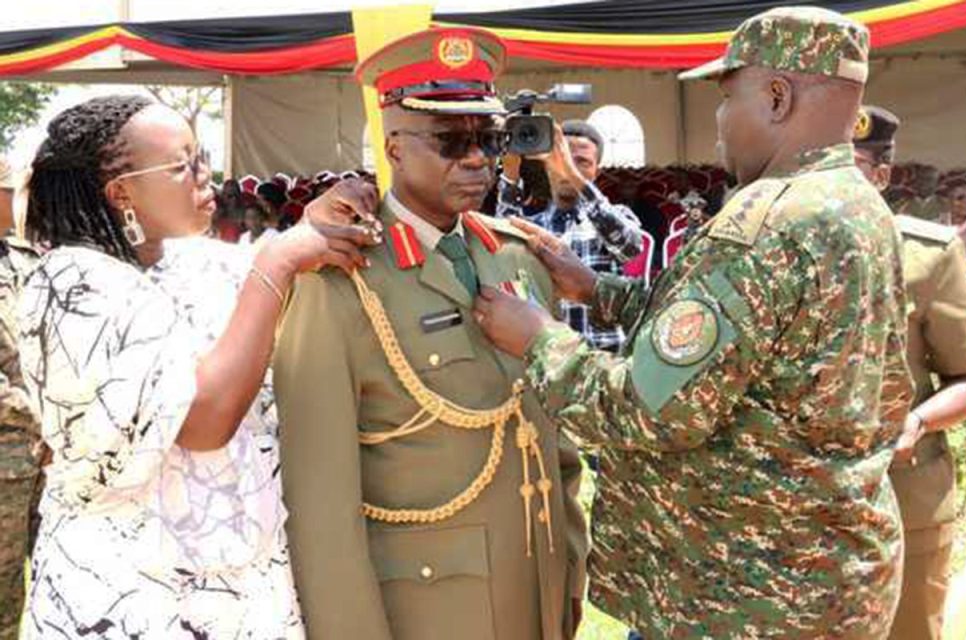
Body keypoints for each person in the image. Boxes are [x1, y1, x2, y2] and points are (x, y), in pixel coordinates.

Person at [473, 7, 913, 638]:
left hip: (739, 598)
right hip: (823, 577)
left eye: (727, 98)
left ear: (778, 97)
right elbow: (754, 340)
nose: (720, 124)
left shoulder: (764, 226)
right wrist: (596, 289)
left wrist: (538, 337)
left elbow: (647, 409)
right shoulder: (854, 203)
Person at [15, 95, 376, 638]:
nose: (206, 176)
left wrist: (317, 222)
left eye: (202, 157)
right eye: (182, 166)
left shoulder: (189, 259)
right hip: (131, 598)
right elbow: (205, 418)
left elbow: (263, 273)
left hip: (237, 591)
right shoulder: (72, 286)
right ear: (121, 192)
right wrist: (279, 262)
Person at [273, 28, 587, 640]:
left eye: (488, 139)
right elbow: (320, 505)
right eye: (450, 141)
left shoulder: (519, 258)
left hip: (536, 588)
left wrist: (569, 564)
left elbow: (552, 438)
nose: (476, 159)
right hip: (430, 610)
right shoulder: (339, 278)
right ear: (393, 147)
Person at [855, 105, 966, 640]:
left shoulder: (924, 255)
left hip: (903, 492)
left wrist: (917, 422)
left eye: (853, 168)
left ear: (882, 175)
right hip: (800, 503)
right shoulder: (779, 252)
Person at [496, 119, 643, 352]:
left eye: (581, 162)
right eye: (560, 159)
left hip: (606, 357)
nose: (566, 168)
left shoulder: (617, 217)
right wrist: (510, 175)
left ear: (596, 172)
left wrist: (572, 173)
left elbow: (630, 248)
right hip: (551, 359)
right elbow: (502, 252)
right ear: (546, 165)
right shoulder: (534, 226)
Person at [0, 157, 41, 640]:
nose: (17, 200)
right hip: (7, 456)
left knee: (58, 574)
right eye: (9, 191)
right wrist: (37, 413)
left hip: (47, 458)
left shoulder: (26, 259)